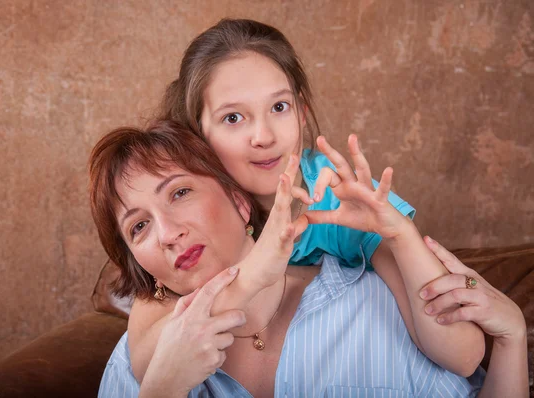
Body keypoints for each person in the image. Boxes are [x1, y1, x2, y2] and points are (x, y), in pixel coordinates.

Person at [130, 18, 484, 377]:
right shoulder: (188, 218)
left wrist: (398, 233)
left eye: (279, 108)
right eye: (233, 117)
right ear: (197, 133)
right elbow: (147, 363)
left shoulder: (340, 200)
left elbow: (463, 356)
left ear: (302, 112)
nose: (263, 135)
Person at [90, 121, 527, 397]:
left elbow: (464, 360)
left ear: (241, 203)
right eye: (139, 227)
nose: (167, 234)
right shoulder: (137, 364)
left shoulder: (376, 305)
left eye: (180, 193)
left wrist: (510, 343)